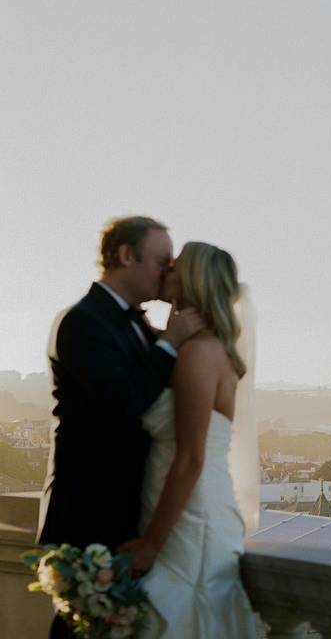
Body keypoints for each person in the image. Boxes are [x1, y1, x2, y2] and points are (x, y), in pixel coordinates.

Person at [38, 216, 205, 639]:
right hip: (90, 512)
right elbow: (126, 402)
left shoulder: (136, 324)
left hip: (132, 508)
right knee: (80, 628)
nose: (168, 273)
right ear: (127, 256)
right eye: (162, 262)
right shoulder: (83, 322)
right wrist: (170, 342)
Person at [118, 241, 259, 638]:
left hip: (189, 514)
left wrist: (150, 543)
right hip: (177, 501)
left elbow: (191, 458)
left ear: (193, 281)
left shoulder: (199, 353)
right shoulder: (198, 346)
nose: (165, 273)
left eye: (174, 269)